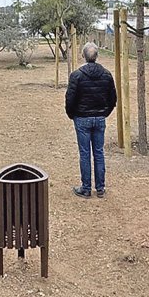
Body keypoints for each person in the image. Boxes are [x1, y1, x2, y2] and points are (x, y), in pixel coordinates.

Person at [65, 42, 117, 199]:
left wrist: (73, 114)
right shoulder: (106, 74)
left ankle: (86, 188)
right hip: (99, 118)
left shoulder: (76, 75)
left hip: (82, 118)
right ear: (97, 56)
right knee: (99, 153)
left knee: (85, 153)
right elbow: (112, 98)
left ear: (83, 56)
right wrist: (104, 113)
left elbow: (70, 99)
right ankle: (100, 188)